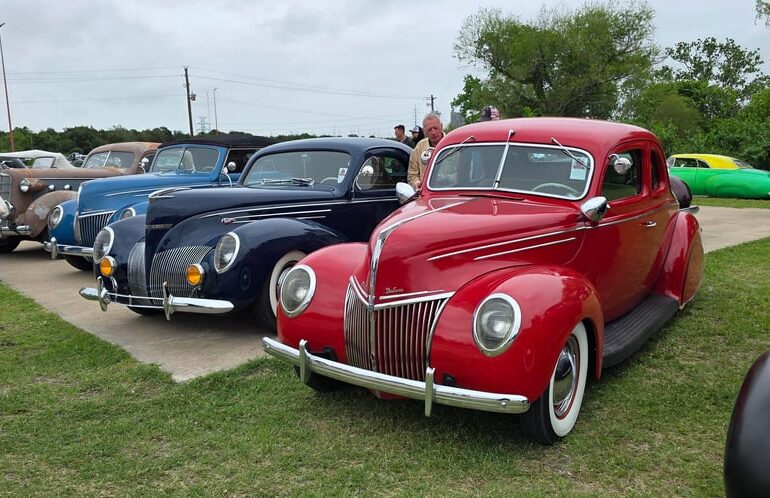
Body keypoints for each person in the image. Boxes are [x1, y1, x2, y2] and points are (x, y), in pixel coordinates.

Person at [408, 113, 445, 189]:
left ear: (441, 126)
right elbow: (412, 175)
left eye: (435, 128)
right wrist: (417, 183)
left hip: (449, 191)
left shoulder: (453, 145)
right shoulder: (419, 148)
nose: (433, 132)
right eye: (429, 130)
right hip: (426, 192)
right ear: (424, 132)